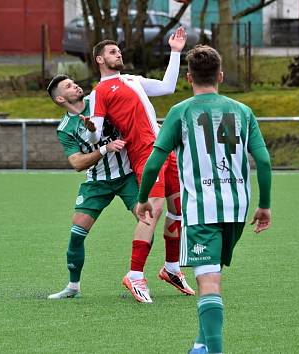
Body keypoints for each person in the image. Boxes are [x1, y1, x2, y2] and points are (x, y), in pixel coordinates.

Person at [136, 45, 272, 354]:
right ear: (221, 76)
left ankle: (215, 350)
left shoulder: (181, 111)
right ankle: (201, 344)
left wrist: (143, 198)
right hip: (238, 208)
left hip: (201, 208)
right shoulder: (242, 111)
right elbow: (263, 161)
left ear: (188, 77)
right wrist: (264, 205)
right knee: (210, 274)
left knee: (208, 281)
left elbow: (154, 161)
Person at [86, 27, 195, 303]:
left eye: (118, 50)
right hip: (144, 152)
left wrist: (175, 52)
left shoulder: (132, 79)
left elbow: (168, 87)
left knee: (178, 207)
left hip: (163, 146)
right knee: (153, 209)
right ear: (99, 59)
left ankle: (171, 268)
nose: (117, 53)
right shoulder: (100, 91)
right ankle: (134, 275)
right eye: (111, 51)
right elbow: (96, 132)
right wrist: (89, 128)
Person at [46, 74, 139, 299]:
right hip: (97, 181)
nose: (75, 85)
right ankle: (73, 286)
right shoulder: (66, 128)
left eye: (73, 82)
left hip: (128, 176)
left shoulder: (99, 99)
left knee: (147, 219)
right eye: (68, 86)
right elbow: (77, 162)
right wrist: (104, 150)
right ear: (60, 99)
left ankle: (142, 276)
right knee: (77, 233)